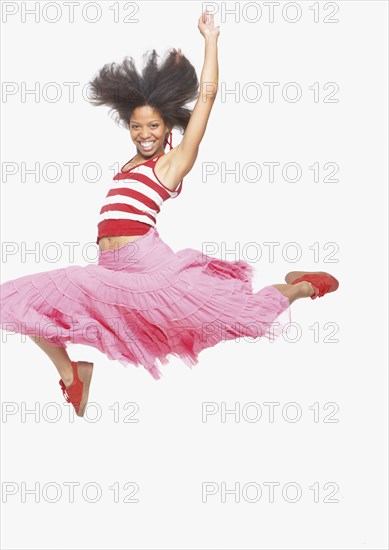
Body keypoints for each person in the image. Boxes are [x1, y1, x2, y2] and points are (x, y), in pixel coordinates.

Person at [0, 11, 339, 418]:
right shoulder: (131, 162)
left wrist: (210, 40)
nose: (144, 135)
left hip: (149, 264)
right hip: (112, 267)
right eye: (137, 127)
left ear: (168, 130)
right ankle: (73, 373)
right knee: (28, 301)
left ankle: (302, 287)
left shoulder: (172, 164)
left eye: (154, 127)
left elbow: (208, 99)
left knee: (239, 319)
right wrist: (172, 72)